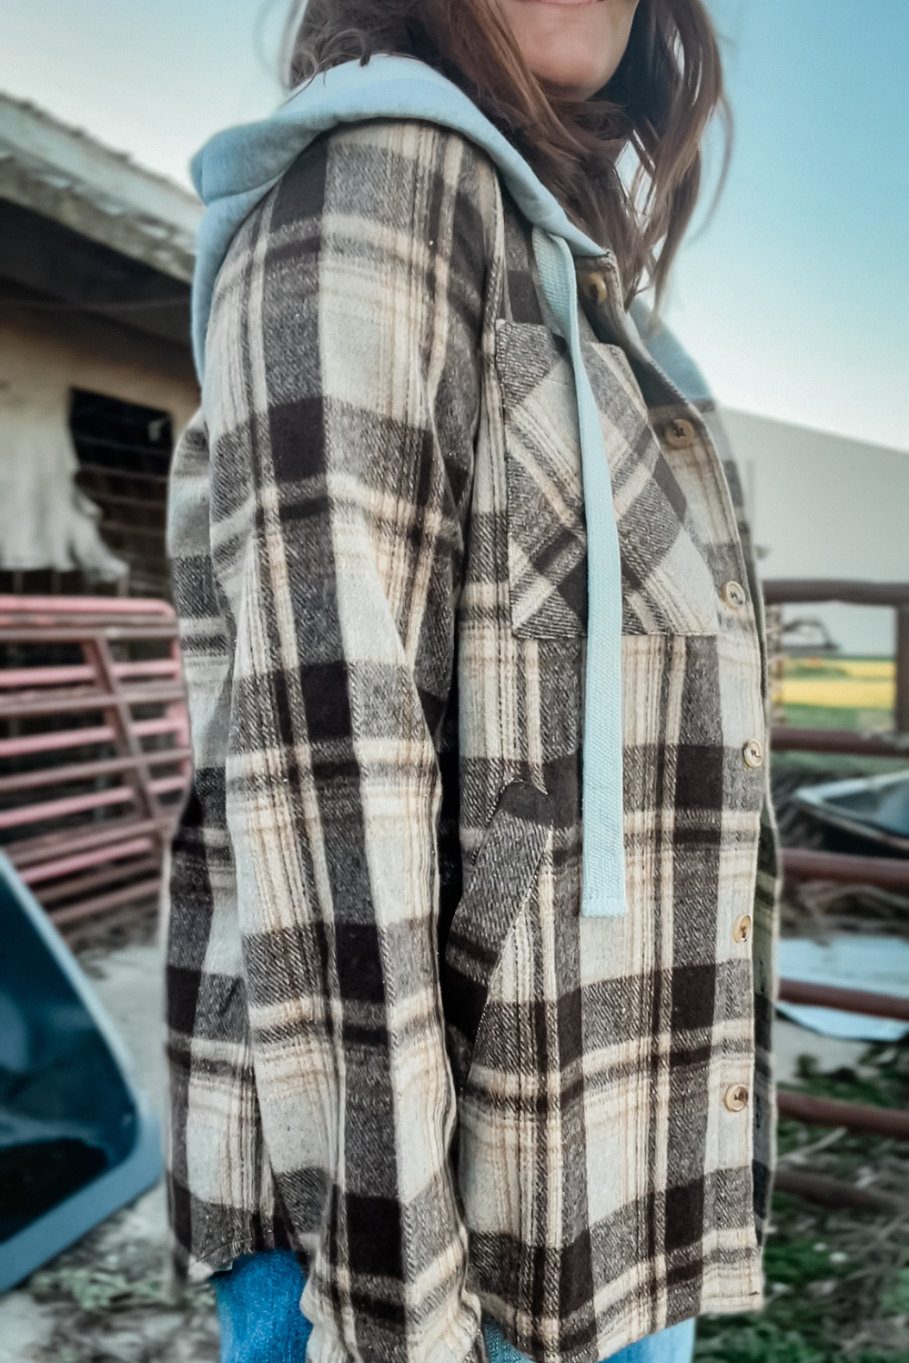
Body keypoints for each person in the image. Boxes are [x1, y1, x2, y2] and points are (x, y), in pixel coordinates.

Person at [165, 1, 779, 1360]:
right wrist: (396, 1319)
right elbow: (332, 807)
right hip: (446, 1257)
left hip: (599, 1195)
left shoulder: (555, 272)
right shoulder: (379, 198)